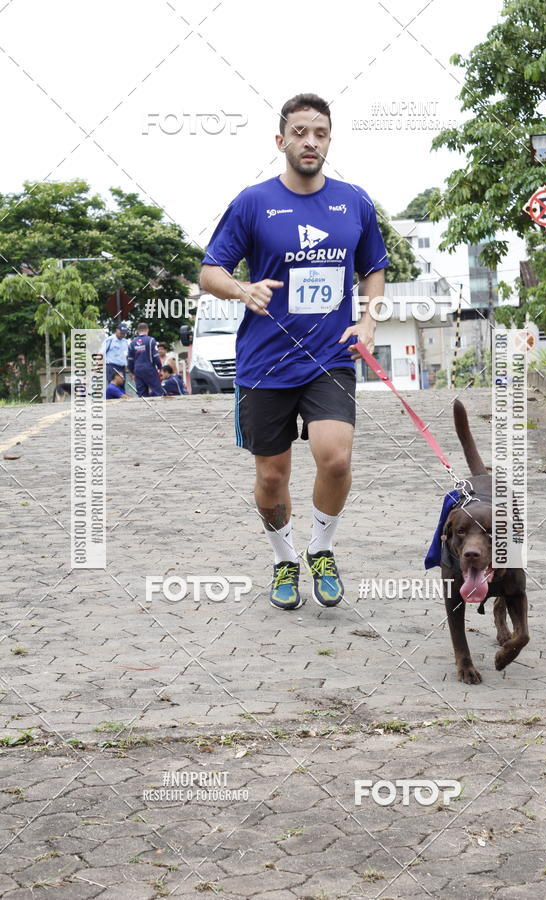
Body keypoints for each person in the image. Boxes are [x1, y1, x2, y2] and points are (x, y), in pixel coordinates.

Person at [200, 93, 388, 612]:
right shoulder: (253, 202)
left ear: (330, 139)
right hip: (265, 364)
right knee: (271, 477)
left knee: (336, 456)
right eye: (300, 132)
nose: (310, 141)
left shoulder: (354, 202)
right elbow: (209, 270)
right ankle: (284, 559)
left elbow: (373, 267)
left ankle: (320, 549)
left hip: (330, 356)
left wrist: (368, 320)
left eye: (320, 132)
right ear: (281, 141)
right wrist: (242, 290)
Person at [127, 323, 163, 397]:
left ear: (138, 331)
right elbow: (156, 357)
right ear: (147, 330)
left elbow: (130, 360)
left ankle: (144, 408)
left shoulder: (132, 343)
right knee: (157, 391)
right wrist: (160, 368)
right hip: (149, 369)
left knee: (142, 394)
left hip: (137, 371)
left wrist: (131, 371)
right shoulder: (151, 340)